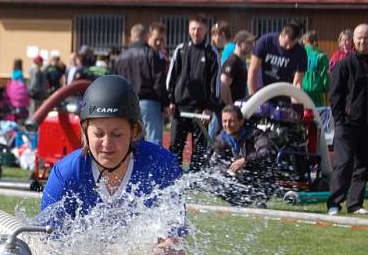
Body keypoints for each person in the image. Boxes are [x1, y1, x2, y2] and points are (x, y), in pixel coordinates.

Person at [40, 74, 185, 255]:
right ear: (84, 131)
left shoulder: (161, 166)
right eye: (98, 134)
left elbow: (176, 243)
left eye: (117, 134)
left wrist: (158, 254)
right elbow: (45, 247)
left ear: (134, 132)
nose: (107, 144)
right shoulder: (66, 174)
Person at [326, 24, 368, 216]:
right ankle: (334, 204)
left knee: (364, 167)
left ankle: (355, 204)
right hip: (347, 125)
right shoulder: (344, 65)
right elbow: (335, 96)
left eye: (365, 37)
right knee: (344, 164)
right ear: (353, 40)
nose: (362, 41)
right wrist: (340, 120)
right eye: (358, 37)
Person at [166, 14, 220, 171]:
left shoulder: (212, 53)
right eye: (193, 29)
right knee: (175, 145)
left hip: (201, 110)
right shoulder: (181, 50)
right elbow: (171, 77)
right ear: (189, 30)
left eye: (199, 29)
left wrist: (210, 107)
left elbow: (215, 83)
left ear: (206, 31)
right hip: (180, 108)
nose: (196, 32)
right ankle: (173, 176)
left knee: (199, 149)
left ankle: (195, 180)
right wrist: (171, 100)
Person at [208, 104, 275, 207]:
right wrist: (229, 169)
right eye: (224, 121)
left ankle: (259, 199)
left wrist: (246, 161)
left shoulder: (255, 134)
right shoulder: (220, 139)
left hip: (258, 179)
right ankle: (237, 201)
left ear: (241, 121)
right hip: (238, 180)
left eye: (231, 121)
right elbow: (215, 163)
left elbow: (266, 152)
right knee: (211, 178)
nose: (227, 125)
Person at [115, 23, 168, 146]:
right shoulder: (151, 54)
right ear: (146, 36)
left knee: (132, 141)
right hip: (149, 102)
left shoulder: (120, 58)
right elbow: (158, 82)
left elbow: (116, 83)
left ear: (131, 38)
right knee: (153, 141)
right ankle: (152, 165)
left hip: (127, 103)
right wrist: (165, 103)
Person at [248, 22, 307, 95]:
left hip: (282, 93)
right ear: (282, 34)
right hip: (261, 92)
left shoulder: (300, 52)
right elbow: (253, 71)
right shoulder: (265, 41)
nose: (288, 47)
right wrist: (253, 96)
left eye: (292, 45)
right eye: (286, 44)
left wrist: (296, 102)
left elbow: (298, 83)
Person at [301, 31, 330, 106]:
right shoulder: (321, 55)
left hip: (303, 88)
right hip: (318, 89)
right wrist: (327, 88)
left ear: (305, 41)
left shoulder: (301, 53)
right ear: (315, 41)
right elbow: (325, 74)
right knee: (320, 113)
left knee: (306, 111)